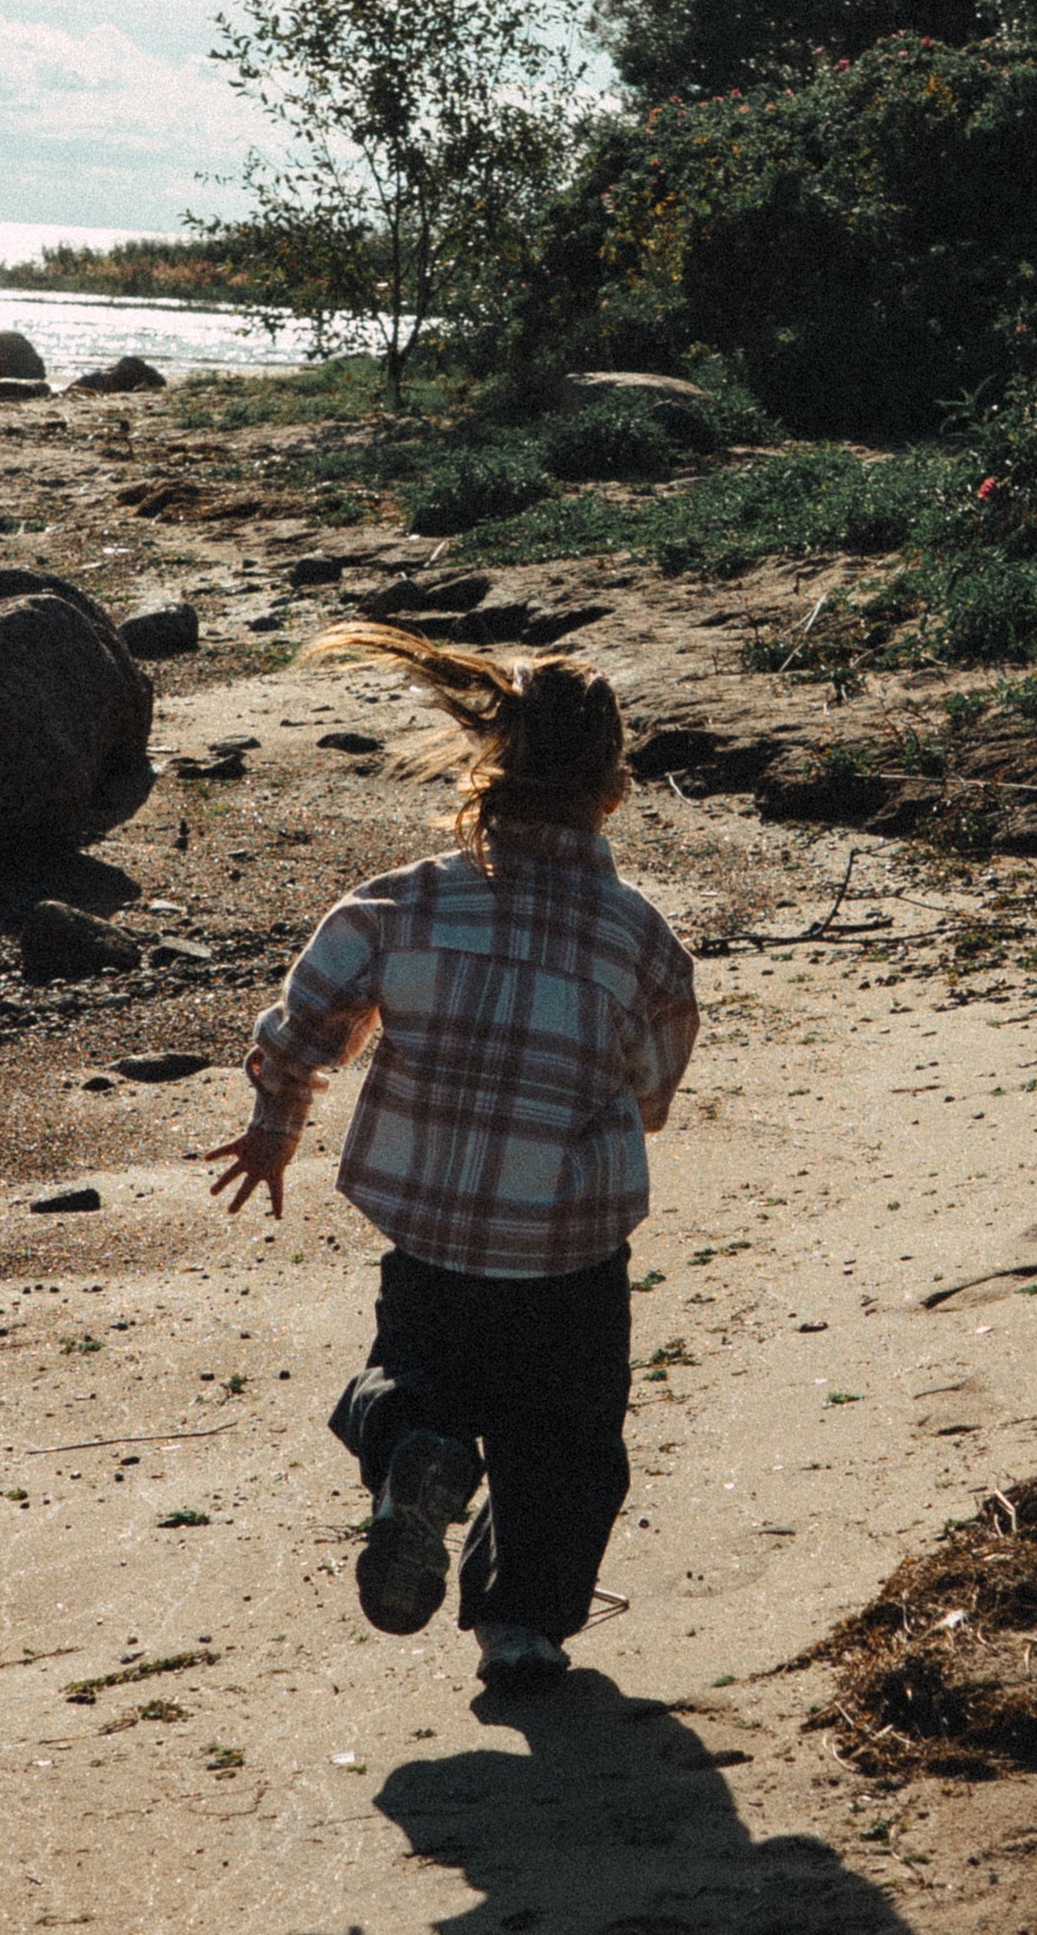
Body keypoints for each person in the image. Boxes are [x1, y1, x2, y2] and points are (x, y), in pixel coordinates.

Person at [207, 624, 698, 1688]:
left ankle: (412, 1449)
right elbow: (654, 1082)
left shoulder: (404, 901)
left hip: (431, 1235)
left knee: (412, 1375)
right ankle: (521, 1628)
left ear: (487, 769)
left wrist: (276, 1126)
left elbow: (305, 1022)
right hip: (568, 1250)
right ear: (613, 792)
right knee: (563, 1445)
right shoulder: (637, 937)